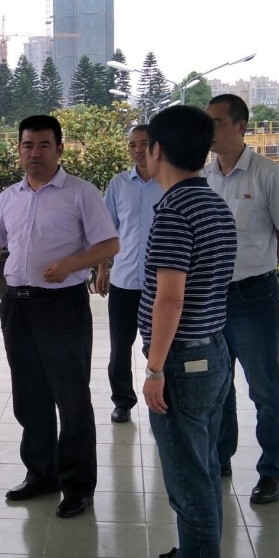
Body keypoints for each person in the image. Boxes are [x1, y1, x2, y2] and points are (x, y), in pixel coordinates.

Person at [0, 114, 119, 518]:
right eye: (27, 145)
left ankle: (77, 485)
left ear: (59, 149)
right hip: (17, 305)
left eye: (43, 145)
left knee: (71, 398)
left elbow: (109, 244)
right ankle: (41, 473)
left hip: (62, 305)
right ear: (19, 149)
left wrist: (72, 264)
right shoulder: (9, 196)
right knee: (29, 394)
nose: (34, 153)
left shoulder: (81, 193)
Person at [133, 105, 237, 558]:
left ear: (158, 150)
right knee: (203, 468)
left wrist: (155, 368)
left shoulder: (175, 211)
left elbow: (170, 298)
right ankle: (193, 555)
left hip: (182, 362)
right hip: (212, 352)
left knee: (188, 478)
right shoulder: (214, 203)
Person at [204, 94, 279, 504]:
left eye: (217, 122)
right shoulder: (205, 176)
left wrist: (261, 264)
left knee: (263, 389)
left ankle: (271, 471)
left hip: (253, 297)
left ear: (241, 126)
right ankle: (220, 460)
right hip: (212, 297)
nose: (209, 130)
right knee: (217, 387)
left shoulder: (268, 175)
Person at [97, 122, 163, 424]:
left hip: (161, 284)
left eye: (144, 144)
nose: (138, 150)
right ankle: (122, 401)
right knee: (120, 349)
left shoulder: (168, 182)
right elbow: (107, 230)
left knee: (159, 346)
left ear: (156, 146)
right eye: (132, 145)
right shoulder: (119, 184)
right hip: (124, 280)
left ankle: (161, 398)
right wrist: (102, 269)